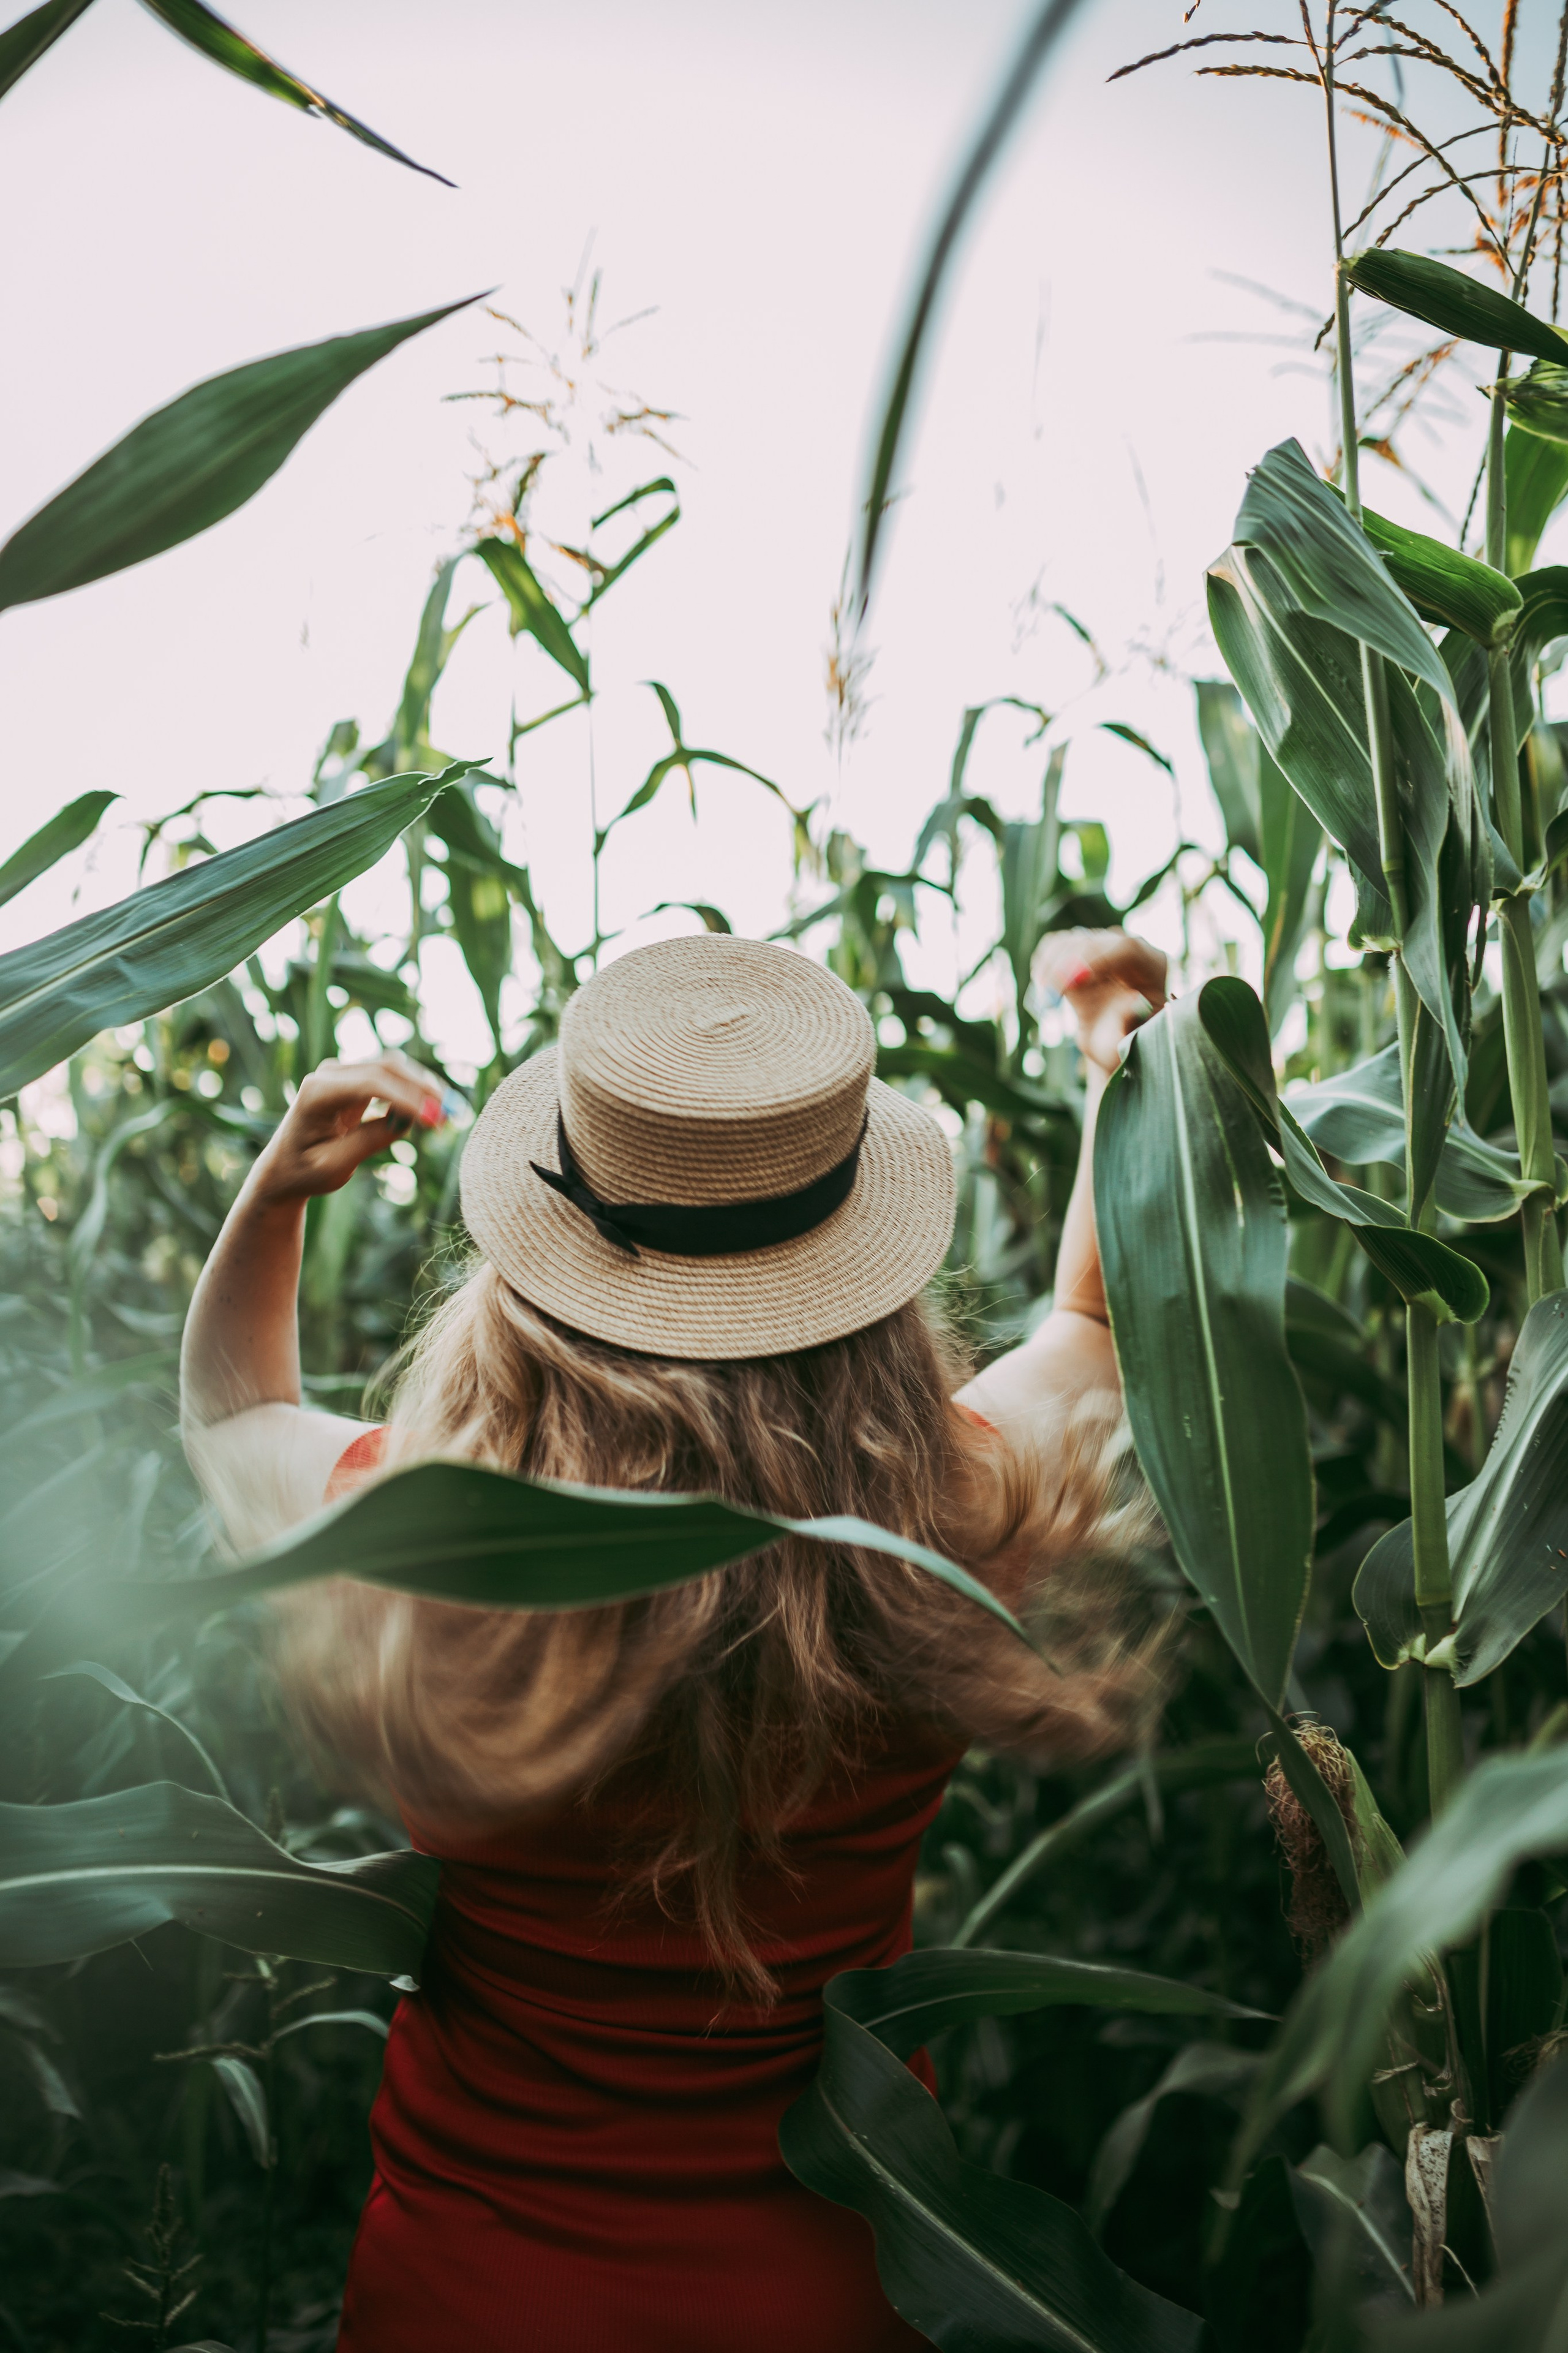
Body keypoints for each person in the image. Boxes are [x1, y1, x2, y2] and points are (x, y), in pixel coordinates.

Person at [180, 924, 1167, 2353]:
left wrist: (275, 1197)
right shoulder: (952, 1517)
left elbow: (231, 1416)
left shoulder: (417, 1534)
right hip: (843, 2280)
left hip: (475, 2294)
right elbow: (1095, 1320)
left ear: (537, 1265)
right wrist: (1117, 1071)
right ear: (860, 1264)